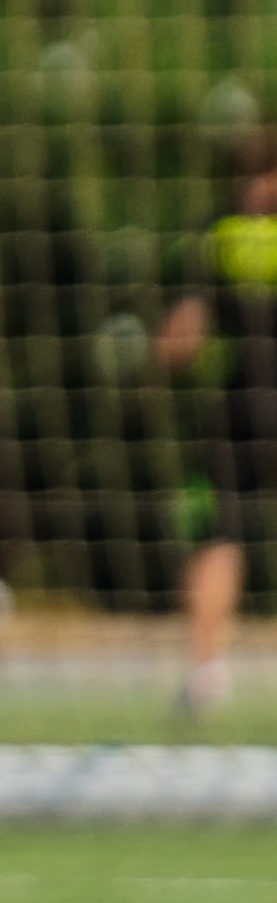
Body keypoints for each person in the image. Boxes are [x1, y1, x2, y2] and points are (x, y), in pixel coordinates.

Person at [151, 146, 277, 718]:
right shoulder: (224, 234)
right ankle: (205, 673)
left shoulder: (220, 233)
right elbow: (184, 334)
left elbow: (180, 337)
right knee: (217, 539)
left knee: (218, 537)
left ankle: (205, 675)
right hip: (244, 410)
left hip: (243, 406)